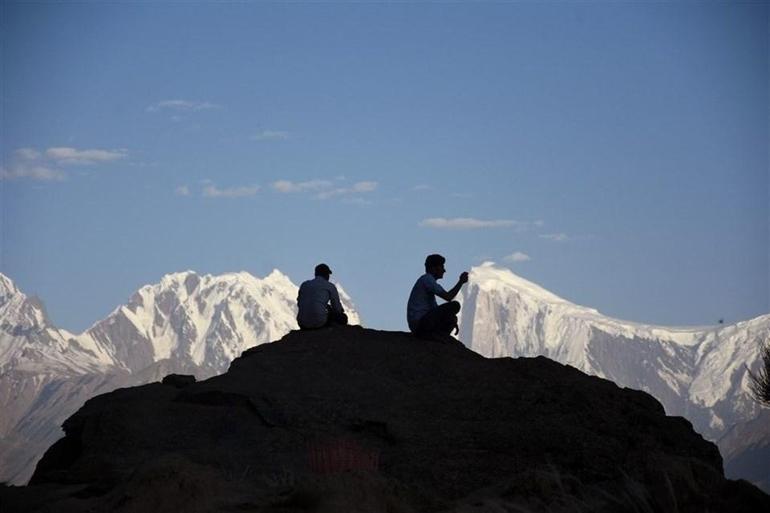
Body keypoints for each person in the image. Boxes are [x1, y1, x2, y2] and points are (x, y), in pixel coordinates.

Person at [407, 254, 468, 339]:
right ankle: (437, 335)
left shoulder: (427, 281)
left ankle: (438, 335)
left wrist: (451, 319)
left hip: (419, 324)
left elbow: (437, 311)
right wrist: (461, 282)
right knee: (455, 305)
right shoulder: (427, 280)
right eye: (442, 267)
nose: (444, 270)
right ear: (434, 268)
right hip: (420, 324)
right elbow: (448, 297)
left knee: (450, 315)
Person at [297, 263, 349, 330]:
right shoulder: (330, 286)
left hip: (302, 323)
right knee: (343, 318)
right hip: (319, 322)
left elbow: (299, 303)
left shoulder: (304, 285)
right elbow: (337, 308)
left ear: (315, 274)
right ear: (326, 275)